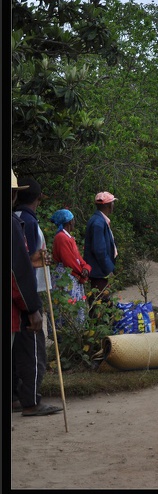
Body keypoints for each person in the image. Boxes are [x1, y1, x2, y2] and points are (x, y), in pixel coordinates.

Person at [11, 172, 62, 416]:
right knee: (32, 347)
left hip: (18, 296)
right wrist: (32, 306)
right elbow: (20, 265)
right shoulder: (24, 221)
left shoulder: (17, 218)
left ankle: (14, 396)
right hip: (23, 296)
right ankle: (31, 401)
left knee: (16, 349)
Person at [50, 209, 92, 328]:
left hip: (72, 274)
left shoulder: (67, 237)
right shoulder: (62, 237)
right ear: (69, 222)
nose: (74, 222)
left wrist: (86, 267)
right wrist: (82, 272)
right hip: (66, 275)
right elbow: (69, 261)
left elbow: (77, 258)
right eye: (73, 220)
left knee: (73, 307)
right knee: (69, 307)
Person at [84, 191, 119, 303]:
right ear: (108, 205)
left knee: (101, 298)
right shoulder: (98, 223)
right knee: (99, 299)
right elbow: (99, 250)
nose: (113, 206)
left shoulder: (100, 220)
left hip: (100, 270)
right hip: (99, 271)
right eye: (112, 203)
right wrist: (108, 269)